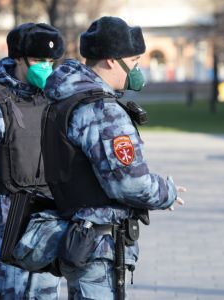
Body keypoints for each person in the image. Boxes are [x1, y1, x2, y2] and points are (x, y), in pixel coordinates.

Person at [41, 16, 185, 299]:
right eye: (133, 61)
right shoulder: (101, 110)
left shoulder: (68, 97)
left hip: (82, 239)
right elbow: (129, 184)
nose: (137, 71)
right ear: (110, 61)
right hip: (99, 247)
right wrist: (164, 191)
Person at [0, 23, 64, 299]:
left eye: (49, 61)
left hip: (47, 225)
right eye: (37, 60)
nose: (45, 67)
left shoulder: (56, 100)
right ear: (18, 58)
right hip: (5, 226)